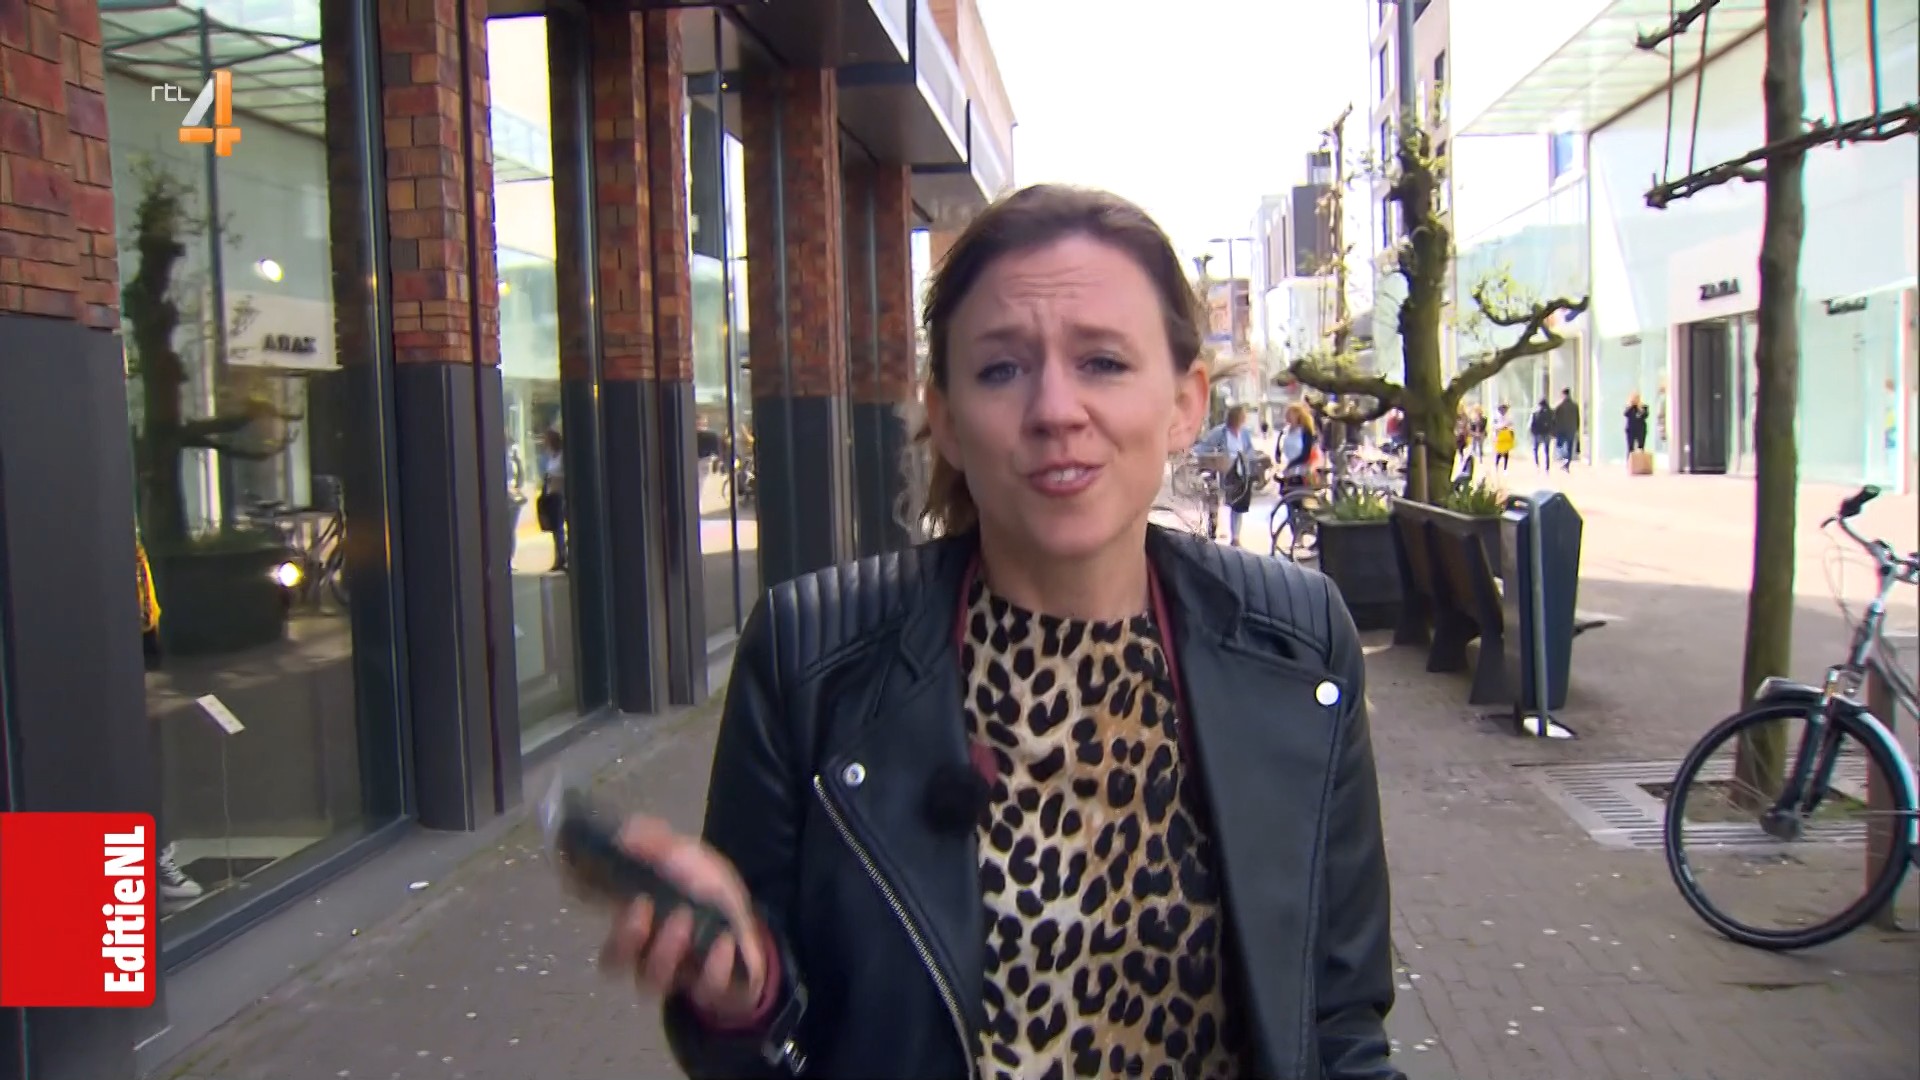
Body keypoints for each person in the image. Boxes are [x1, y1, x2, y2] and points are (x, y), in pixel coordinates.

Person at [598, 185, 1401, 1080]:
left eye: (1102, 362)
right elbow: (759, 1047)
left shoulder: (1296, 644)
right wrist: (740, 995)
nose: (1056, 408)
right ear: (944, 418)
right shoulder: (809, 660)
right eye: (1001, 370)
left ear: (1185, 403)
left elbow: (1338, 1023)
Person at [1195, 404, 1257, 546]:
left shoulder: (1244, 433)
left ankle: (1235, 537)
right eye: (1242, 416)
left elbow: (1250, 450)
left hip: (1240, 472)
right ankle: (1212, 530)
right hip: (1224, 472)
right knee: (1216, 501)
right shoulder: (1221, 432)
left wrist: (1248, 458)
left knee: (1238, 504)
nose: (1244, 419)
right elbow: (1204, 447)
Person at [536, 428, 567, 572]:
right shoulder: (551, 457)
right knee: (556, 529)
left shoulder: (562, 456)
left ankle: (563, 556)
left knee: (560, 527)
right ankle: (560, 556)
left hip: (560, 494)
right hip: (551, 494)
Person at [1276, 400, 1321, 493]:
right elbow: (1278, 449)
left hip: (1301, 471)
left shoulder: (1305, 432)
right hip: (1287, 471)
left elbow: (1306, 454)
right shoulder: (1285, 431)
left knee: (1299, 494)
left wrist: (1291, 465)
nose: (1288, 416)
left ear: (1298, 415)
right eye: (1287, 414)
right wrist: (1279, 461)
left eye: (1290, 414)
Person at [1552, 389, 1580, 471]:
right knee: (1569, 448)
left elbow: (1554, 419)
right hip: (1571, 430)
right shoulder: (1575, 406)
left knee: (1560, 446)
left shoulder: (1559, 406)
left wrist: (1553, 430)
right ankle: (1567, 464)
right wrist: (1576, 428)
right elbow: (1577, 419)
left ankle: (1564, 462)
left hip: (1561, 430)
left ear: (1563, 395)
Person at [1529, 398, 1553, 469]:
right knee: (1546, 451)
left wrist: (1533, 433)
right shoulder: (1550, 413)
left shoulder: (1535, 413)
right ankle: (1547, 467)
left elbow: (1531, 425)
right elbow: (1553, 423)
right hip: (1546, 433)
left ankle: (1537, 465)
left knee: (1535, 450)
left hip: (1537, 434)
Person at [1491, 402, 1516, 471]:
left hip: (1506, 435)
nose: (1504, 411)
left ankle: (1505, 468)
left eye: (1505, 409)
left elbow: (1511, 426)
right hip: (1499, 435)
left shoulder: (1508, 417)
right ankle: (1496, 465)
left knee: (1506, 452)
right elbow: (1494, 427)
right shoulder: (1496, 417)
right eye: (1503, 409)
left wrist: (1511, 434)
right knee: (1499, 452)